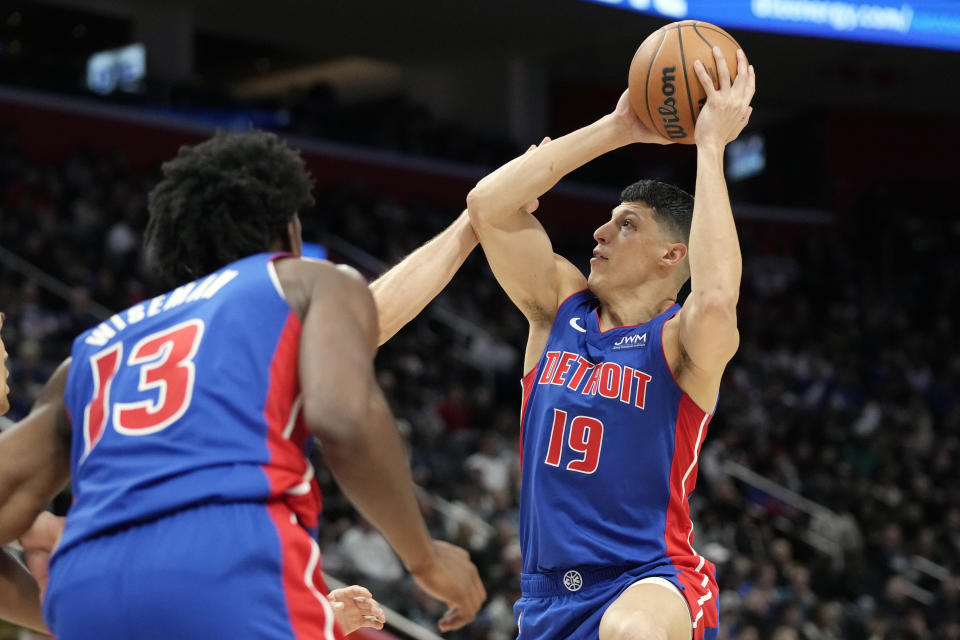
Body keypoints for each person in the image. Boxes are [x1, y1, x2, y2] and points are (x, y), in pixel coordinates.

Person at [0, 130, 486, 639]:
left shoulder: (93, 350)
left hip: (86, 593)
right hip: (229, 561)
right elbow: (344, 421)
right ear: (289, 231)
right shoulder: (307, 280)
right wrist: (426, 558)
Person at [466, 47, 755, 640]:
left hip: (651, 579)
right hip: (545, 594)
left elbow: (719, 298)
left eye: (626, 225)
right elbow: (486, 208)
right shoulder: (557, 310)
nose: (599, 232)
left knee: (629, 633)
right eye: (608, 218)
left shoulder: (680, 344)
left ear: (672, 255)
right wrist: (618, 127)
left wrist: (710, 146)